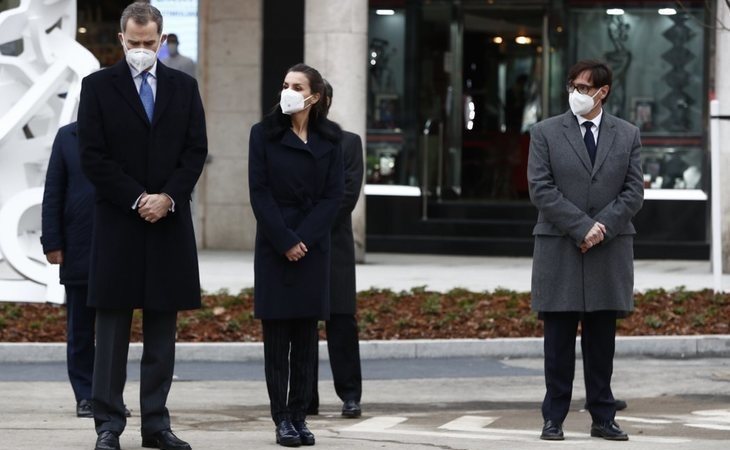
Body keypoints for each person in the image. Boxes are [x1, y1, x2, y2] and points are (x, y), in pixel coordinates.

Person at [77, 3, 207, 450]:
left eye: (149, 43)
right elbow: (92, 155)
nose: (141, 50)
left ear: (162, 38)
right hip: (119, 223)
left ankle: (156, 423)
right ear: (121, 39)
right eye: (133, 43)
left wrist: (168, 197)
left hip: (168, 223)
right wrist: (137, 198)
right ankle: (108, 424)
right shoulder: (96, 87)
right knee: (111, 332)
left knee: (161, 334)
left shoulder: (185, 88)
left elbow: (195, 151)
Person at [526, 59, 643, 442]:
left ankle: (603, 416)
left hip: (607, 252)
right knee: (557, 343)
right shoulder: (545, 132)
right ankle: (553, 417)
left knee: (601, 344)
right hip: (560, 248)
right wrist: (581, 226)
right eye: (572, 86)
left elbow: (633, 192)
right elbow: (540, 188)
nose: (576, 93)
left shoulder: (627, 134)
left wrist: (602, 228)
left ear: (602, 92)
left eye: (583, 87)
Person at [248, 63, 344, 447]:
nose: (287, 90)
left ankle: (301, 415)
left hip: (313, 246)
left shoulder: (330, 139)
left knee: (306, 336)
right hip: (276, 246)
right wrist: (285, 239)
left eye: (297, 86)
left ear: (314, 96)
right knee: (277, 337)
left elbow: (333, 197)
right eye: (285, 83)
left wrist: (304, 238)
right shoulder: (263, 134)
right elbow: (259, 193)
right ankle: (281, 418)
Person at [308, 79, 364, 419]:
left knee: (342, 322)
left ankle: (350, 395)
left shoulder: (348, 143)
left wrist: (308, 226)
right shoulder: (287, 140)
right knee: (302, 326)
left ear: (324, 100)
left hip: (334, 245)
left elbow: (346, 195)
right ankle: (305, 396)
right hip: (296, 247)